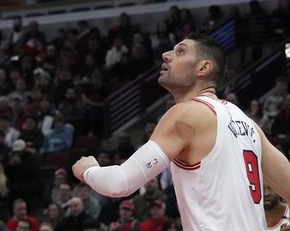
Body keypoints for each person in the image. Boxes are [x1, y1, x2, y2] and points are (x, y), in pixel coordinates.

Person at [72, 33, 290, 229]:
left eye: (180, 51)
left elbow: (119, 183)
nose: (166, 55)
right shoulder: (249, 124)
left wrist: (88, 170)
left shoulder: (186, 114)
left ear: (203, 68)